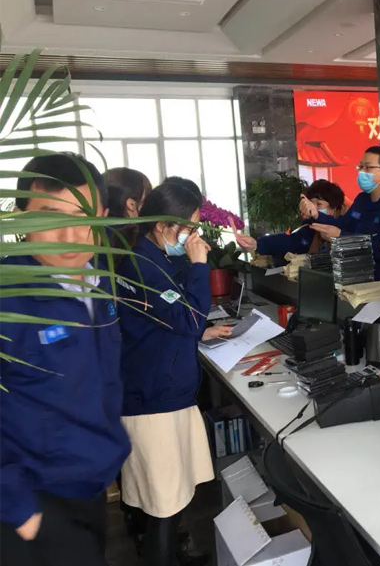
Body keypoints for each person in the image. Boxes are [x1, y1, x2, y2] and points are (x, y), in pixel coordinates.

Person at [0, 153, 131, 566]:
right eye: (50, 217)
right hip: (30, 504)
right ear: (20, 218)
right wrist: (21, 509)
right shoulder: (8, 298)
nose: (71, 235)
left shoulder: (100, 282)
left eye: (84, 216)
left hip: (90, 486)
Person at [115, 180, 221, 566]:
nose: (193, 236)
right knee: (163, 509)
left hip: (163, 393)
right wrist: (199, 265)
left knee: (170, 500)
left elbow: (167, 317)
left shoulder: (152, 257)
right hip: (152, 403)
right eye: (189, 227)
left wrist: (200, 330)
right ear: (163, 226)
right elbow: (190, 317)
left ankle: (175, 554)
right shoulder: (142, 265)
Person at [301, 146, 380, 280]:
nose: (362, 172)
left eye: (368, 167)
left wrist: (342, 236)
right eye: (360, 167)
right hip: (353, 274)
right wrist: (317, 214)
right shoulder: (362, 199)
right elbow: (344, 224)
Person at [232, 179, 347, 258]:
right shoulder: (309, 228)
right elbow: (288, 241)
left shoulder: (347, 227)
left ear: (335, 208)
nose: (313, 208)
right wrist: (257, 244)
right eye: (311, 203)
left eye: (319, 204)